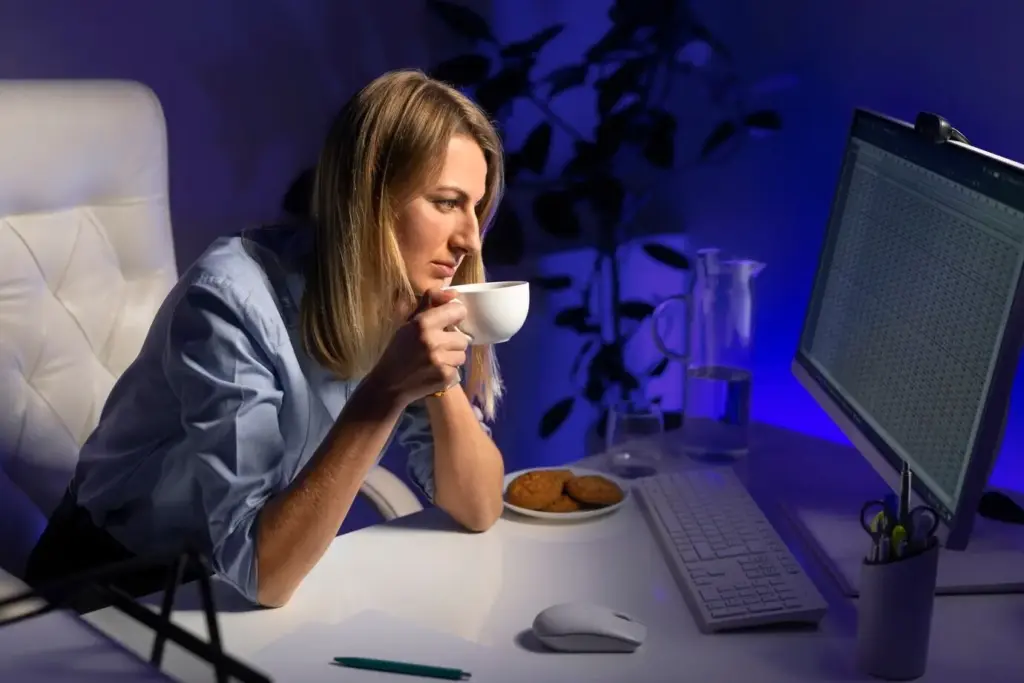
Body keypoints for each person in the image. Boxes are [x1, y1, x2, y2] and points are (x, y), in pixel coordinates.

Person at [24, 69, 508, 611]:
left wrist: (437, 374)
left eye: (476, 207)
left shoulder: (402, 296)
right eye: (447, 202)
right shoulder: (230, 300)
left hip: (236, 586)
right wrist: (386, 392)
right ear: (372, 195)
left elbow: (480, 506)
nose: (470, 239)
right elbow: (263, 575)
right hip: (115, 586)